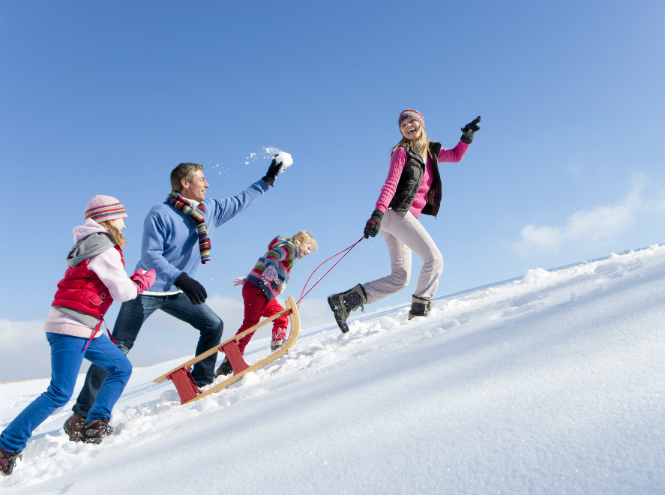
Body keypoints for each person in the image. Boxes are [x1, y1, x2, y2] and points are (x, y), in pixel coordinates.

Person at [61, 156, 291, 438]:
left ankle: (202, 381)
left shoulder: (211, 210)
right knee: (117, 349)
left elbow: (243, 199)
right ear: (185, 183)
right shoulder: (161, 213)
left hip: (176, 291)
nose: (207, 183)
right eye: (201, 179)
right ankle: (81, 413)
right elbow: (150, 256)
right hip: (144, 290)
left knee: (212, 325)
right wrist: (181, 277)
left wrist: (268, 180)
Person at [0, 196, 156, 476]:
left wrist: (131, 282)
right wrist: (142, 281)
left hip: (86, 327)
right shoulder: (105, 247)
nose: (125, 220)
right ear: (108, 218)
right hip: (71, 327)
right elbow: (123, 292)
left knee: (120, 367)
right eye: (122, 215)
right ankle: (6, 446)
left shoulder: (92, 244)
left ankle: (94, 423)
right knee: (59, 392)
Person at [328, 109, 481, 333]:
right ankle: (420, 312)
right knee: (434, 259)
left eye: (412, 122)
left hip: (397, 219)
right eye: (403, 125)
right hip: (395, 213)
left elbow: (457, 155)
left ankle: (346, 301)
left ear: (421, 124)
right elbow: (390, 184)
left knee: (400, 278)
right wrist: (377, 214)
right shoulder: (402, 152)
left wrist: (467, 137)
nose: (408, 126)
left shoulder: (431, 151)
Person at [215, 230, 317, 377]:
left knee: (281, 316)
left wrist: (249, 279)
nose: (308, 252)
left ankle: (277, 345)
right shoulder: (290, 248)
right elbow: (274, 255)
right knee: (250, 324)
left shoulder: (287, 247)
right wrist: (270, 266)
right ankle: (229, 362)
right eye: (308, 248)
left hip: (260, 290)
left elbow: (265, 263)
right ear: (299, 241)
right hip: (258, 290)